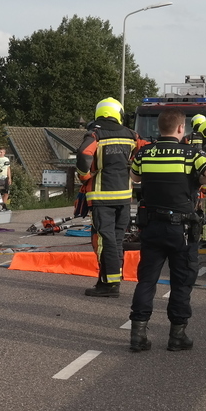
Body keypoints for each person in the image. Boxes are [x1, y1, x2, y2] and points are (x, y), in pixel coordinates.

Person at [127, 109, 206, 351]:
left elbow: (135, 178)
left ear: (159, 128)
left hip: (151, 227)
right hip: (182, 230)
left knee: (146, 280)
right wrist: (197, 180)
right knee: (181, 282)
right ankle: (177, 336)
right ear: (182, 129)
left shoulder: (145, 152)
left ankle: (137, 335)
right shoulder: (191, 154)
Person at [77, 97, 138, 298]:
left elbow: (84, 155)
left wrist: (84, 176)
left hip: (102, 197)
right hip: (125, 197)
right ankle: (111, 278)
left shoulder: (96, 134)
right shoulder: (131, 135)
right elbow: (145, 149)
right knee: (117, 239)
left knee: (105, 240)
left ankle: (109, 285)